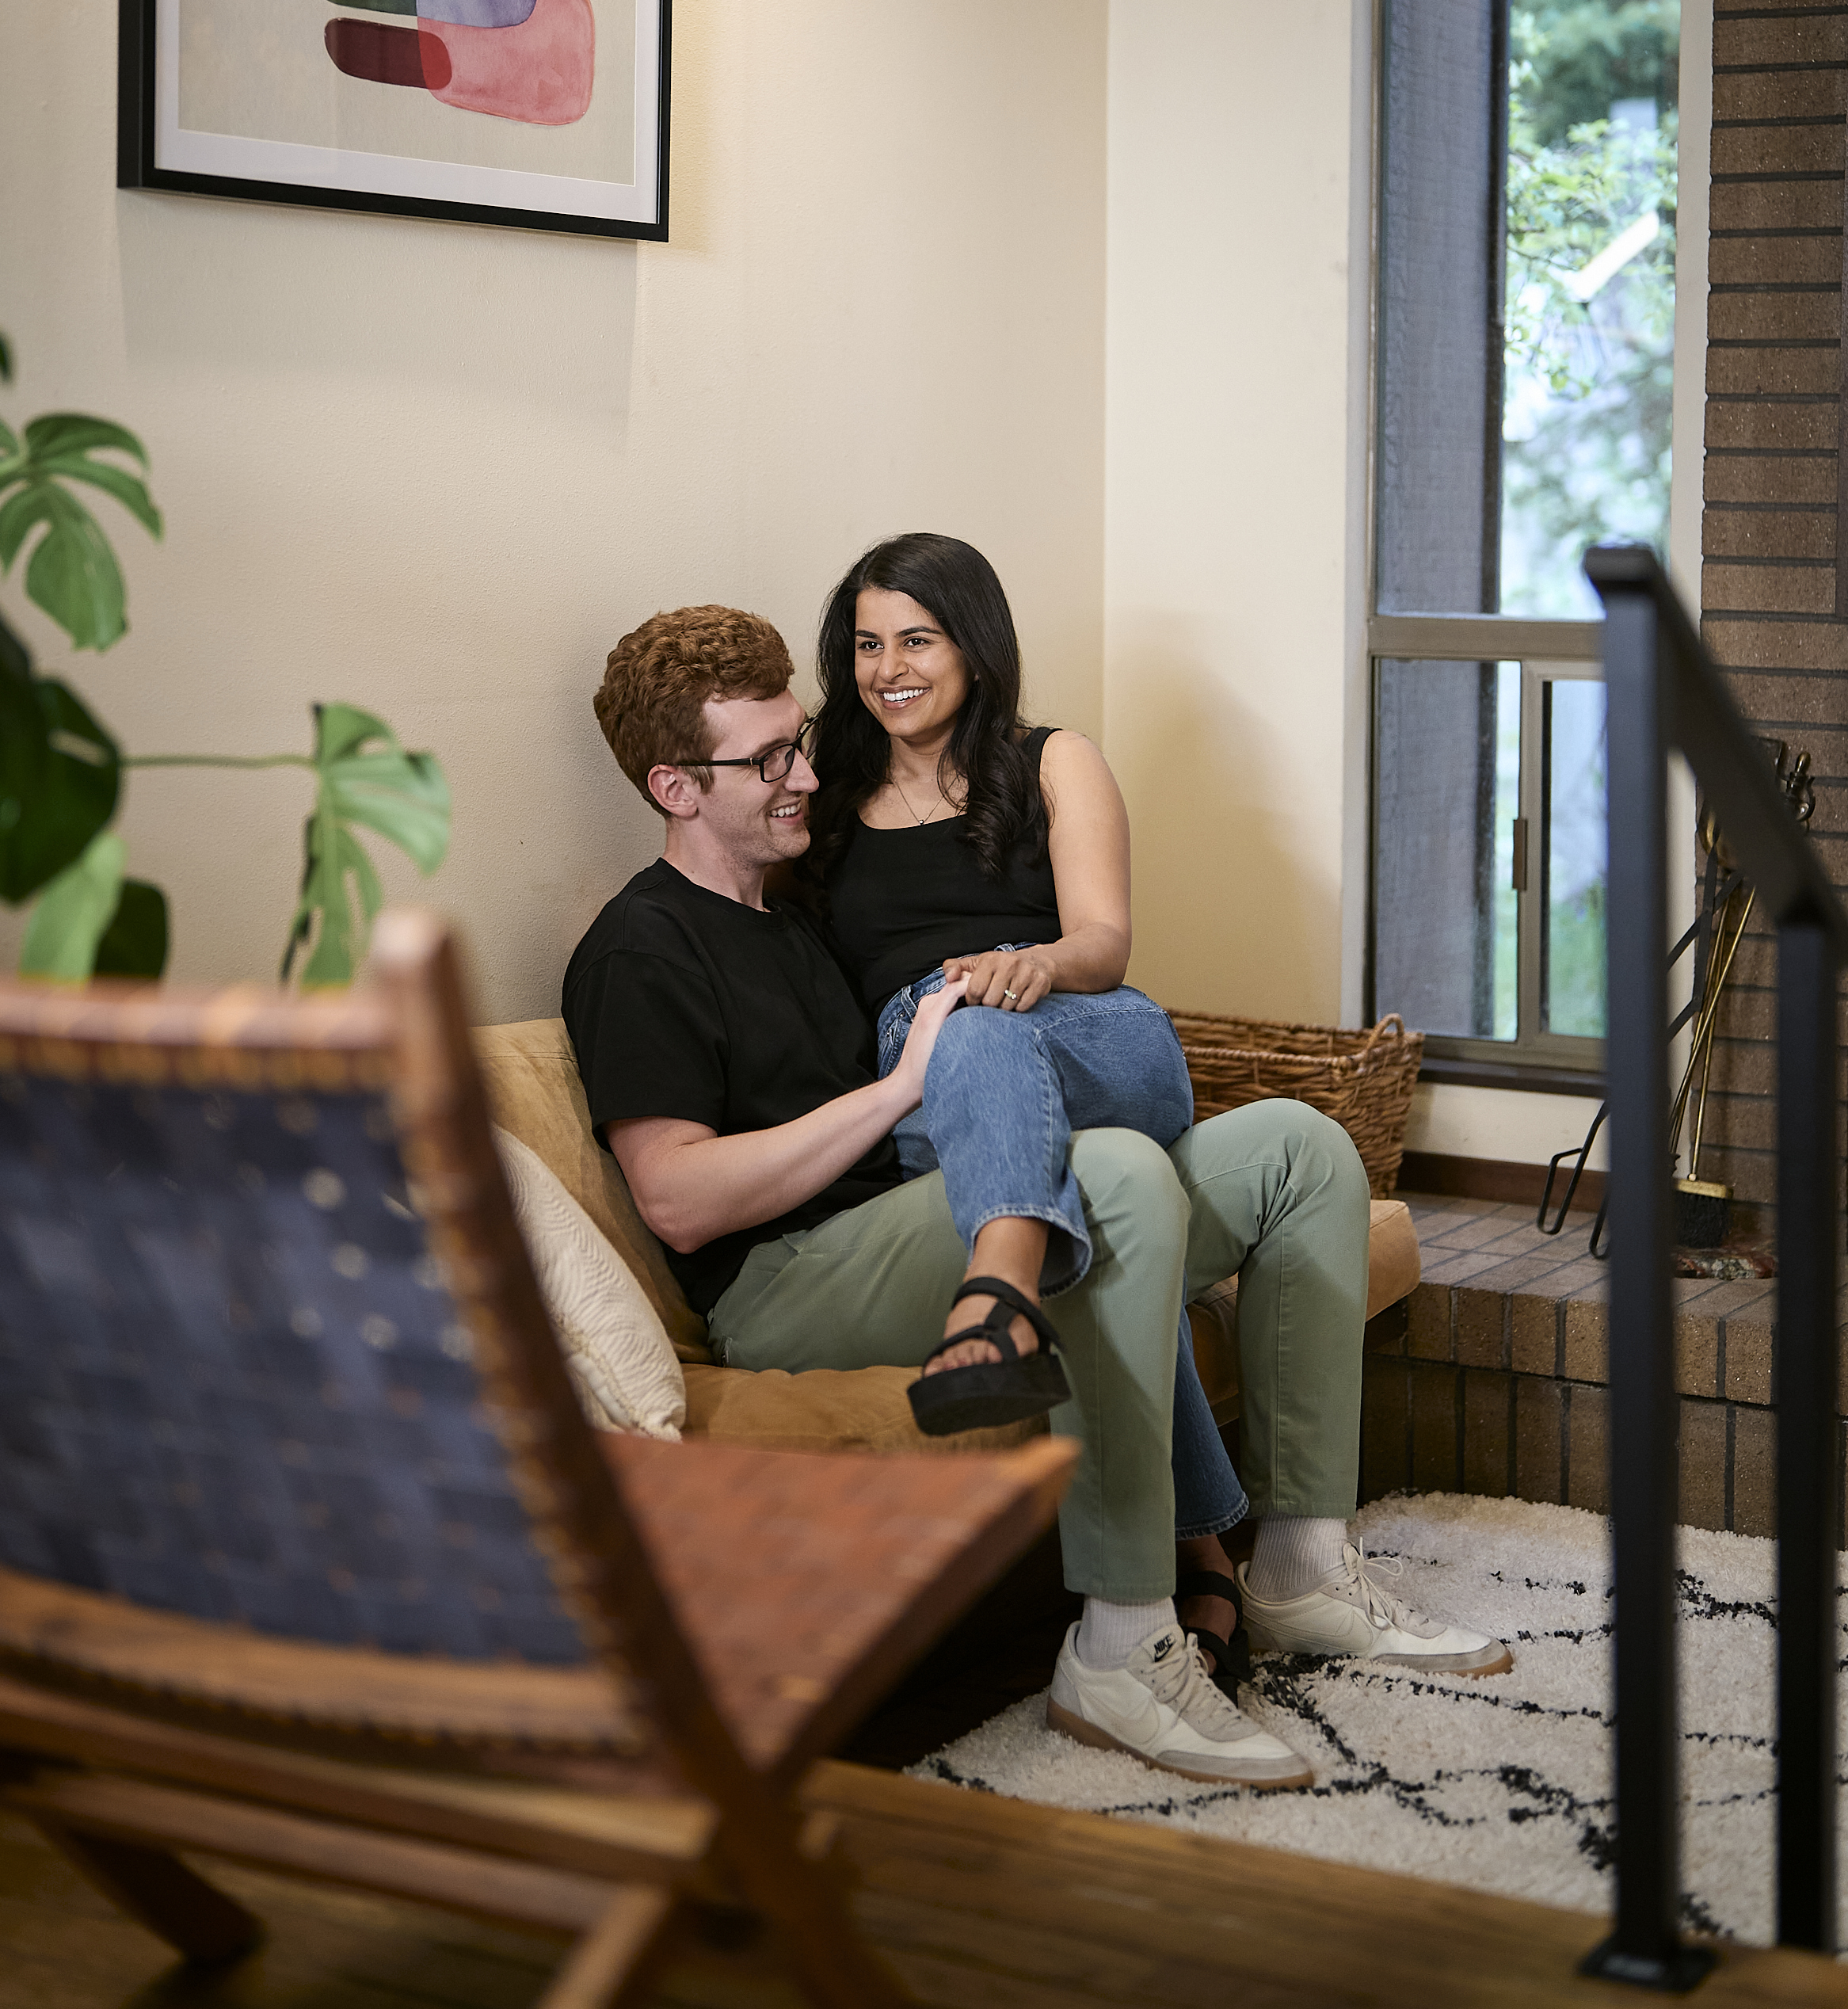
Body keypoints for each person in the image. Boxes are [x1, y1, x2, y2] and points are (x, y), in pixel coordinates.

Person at [564, 603, 1507, 1793]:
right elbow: (678, 1199)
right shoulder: (640, 947)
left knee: (1297, 1149)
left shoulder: (796, 917)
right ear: (675, 788)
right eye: (767, 763)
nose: (804, 775)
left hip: (914, 1219)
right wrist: (899, 1087)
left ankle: (1303, 1569)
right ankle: (1118, 1644)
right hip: (785, 1281)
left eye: (798, 742)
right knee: (1109, 1174)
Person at [799, 532, 1255, 1691]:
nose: (889, 669)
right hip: (932, 1073)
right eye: (866, 645)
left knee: (985, 1021)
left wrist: (1031, 965)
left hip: (1093, 1032)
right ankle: (1205, 1552)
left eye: (916, 640)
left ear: (973, 643)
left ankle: (996, 1297)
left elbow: (1105, 941)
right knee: (996, 1074)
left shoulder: (1052, 760)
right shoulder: (828, 797)